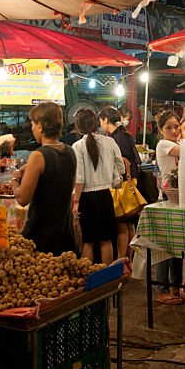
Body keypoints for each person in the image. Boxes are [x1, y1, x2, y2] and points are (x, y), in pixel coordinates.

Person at [12, 102, 76, 255]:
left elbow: (22, 199)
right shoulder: (70, 151)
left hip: (41, 234)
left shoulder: (39, 155)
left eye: (33, 124)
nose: (32, 128)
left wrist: (14, 180)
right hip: (65, 233)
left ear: (40, 126)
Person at [71, 109, 124, 265]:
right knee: (106, 240)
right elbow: (121, 166)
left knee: (88, 241)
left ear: (78, 127)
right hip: (106, 196)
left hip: (87, 198)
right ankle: (108, 280)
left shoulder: (77, 146)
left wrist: (76, 202)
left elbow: (79, 178)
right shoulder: (109, 142)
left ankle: (89, 278)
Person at [154, 110, 185, 304]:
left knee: (177, 247)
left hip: (179, 198)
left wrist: (182, 131)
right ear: (161, 130)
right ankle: (162, 290)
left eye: (176, 126)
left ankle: (175, 288)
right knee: (165, 247)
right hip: (167, 199)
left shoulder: (175, 143)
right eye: (169, 127)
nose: (174, 130)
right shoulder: (164, 144)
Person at [99, 106, 141, 259]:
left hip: (124, 185)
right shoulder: (124, 134)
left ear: (105, 120)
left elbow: (125, 162)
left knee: (122, 225)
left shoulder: (117, 137)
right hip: (131, 183)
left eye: (101, 121)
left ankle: (122, 259)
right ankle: (130, 259)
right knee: (129, 224)